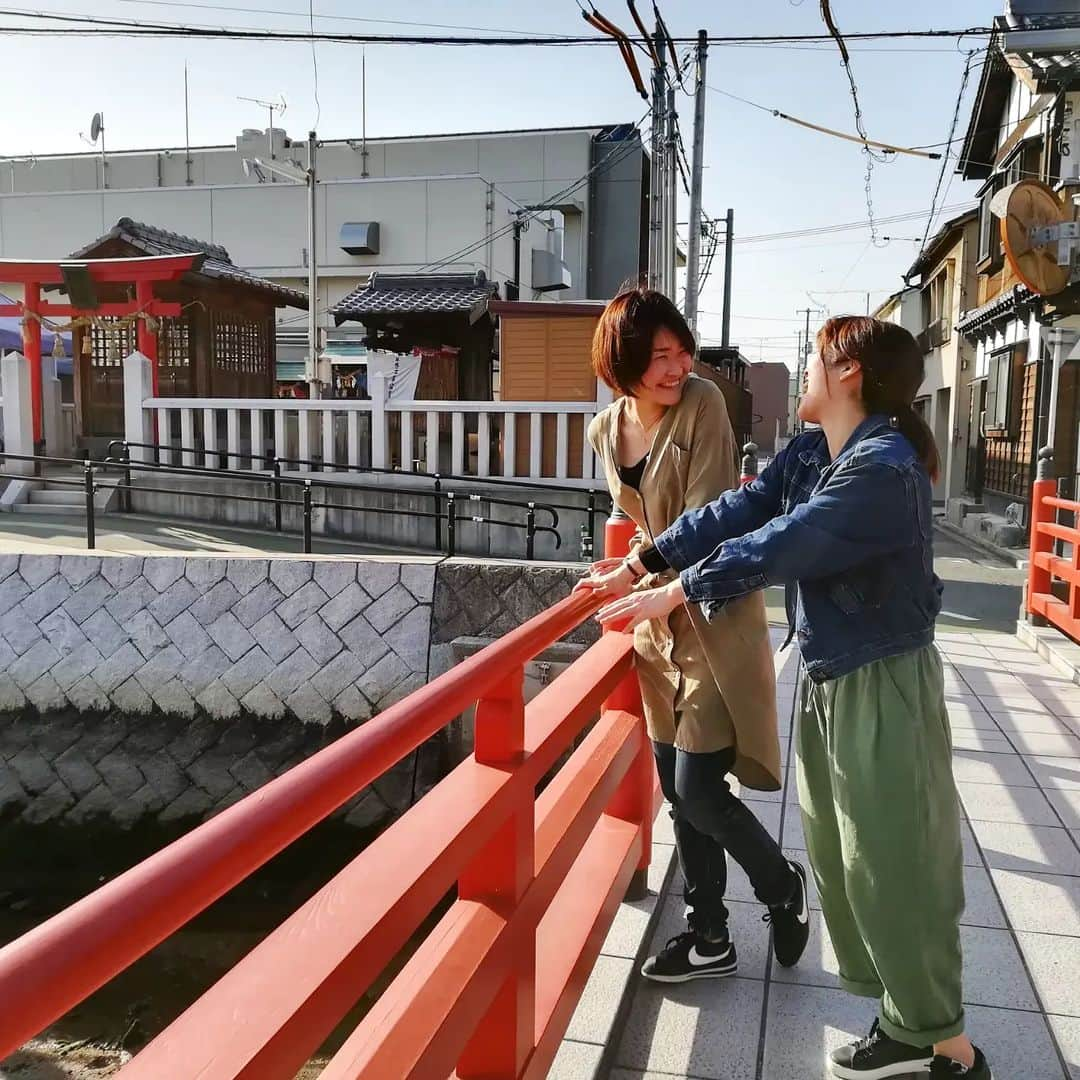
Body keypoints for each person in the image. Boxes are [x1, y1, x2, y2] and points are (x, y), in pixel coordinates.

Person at [582, 315, 990, 1079]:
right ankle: (909, 1025)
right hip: (834, 674)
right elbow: (740, 510)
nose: (806, 369)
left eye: (816, 358)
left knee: (896, 858)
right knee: (847, 858)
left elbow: (788, 541)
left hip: (882, 682)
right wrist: (645, 562)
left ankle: (949, 1048)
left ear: (848, 375)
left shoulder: (882, 468)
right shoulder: (815, 450)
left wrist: (678, 593)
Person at [576, 285, 809, 985]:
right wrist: (624, 569)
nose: (678, 369)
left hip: (711, 613)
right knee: (679, 795)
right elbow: (641, 522)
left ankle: (780, 885)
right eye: (660, 358)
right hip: (653, 627)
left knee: (702, 789)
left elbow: (711, 516)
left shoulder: (704, 404)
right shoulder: (604, 431)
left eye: (682, 352)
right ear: (622, 365)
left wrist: (639, 575)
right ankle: (709, 934)